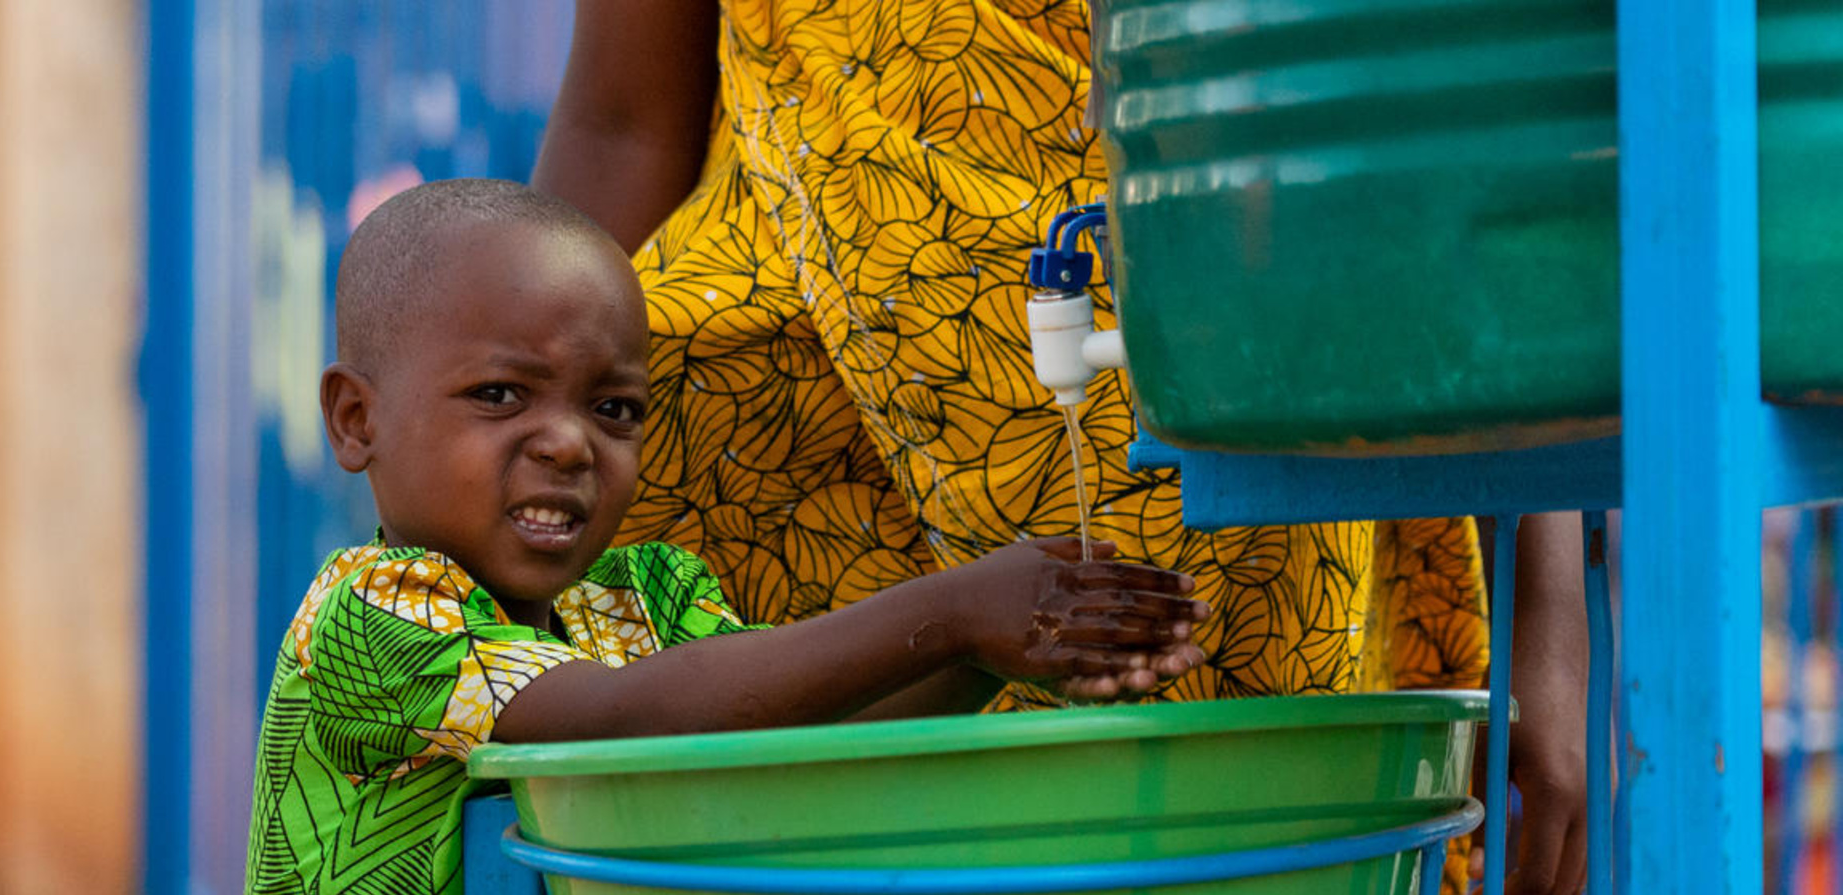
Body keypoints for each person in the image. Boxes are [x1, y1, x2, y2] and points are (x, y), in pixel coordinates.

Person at [530, 3, 1592, 894]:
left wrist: (1544, 600)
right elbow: (625, 123)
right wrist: (494, 485)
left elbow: (1443, 103)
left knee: (1244, 841)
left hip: (1234, 420)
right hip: (777, 467)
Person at [243, 178, 1209, 894]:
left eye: (614, 409)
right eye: (500, 394)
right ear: (356, 420)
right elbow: (619, 722)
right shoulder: (370, 613)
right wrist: (953, 610)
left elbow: (792, 746)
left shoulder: (646, 595)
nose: (570, 444)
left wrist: (993, 653)